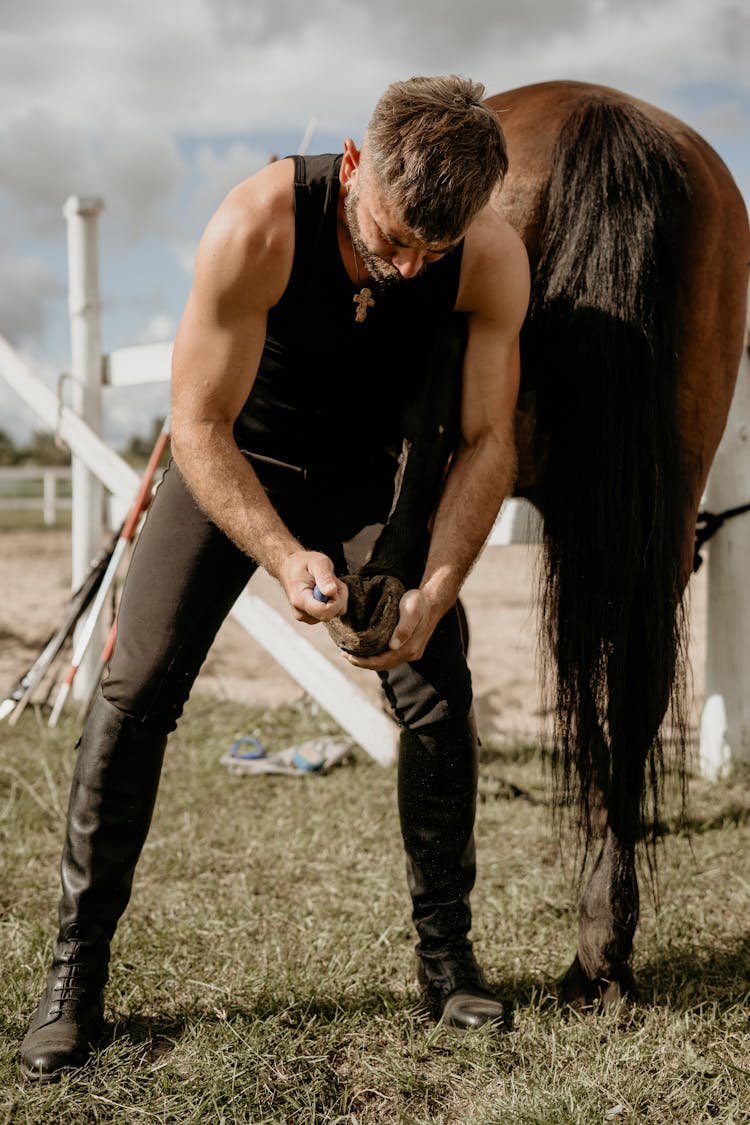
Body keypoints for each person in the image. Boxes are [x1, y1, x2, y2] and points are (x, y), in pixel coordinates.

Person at [20, 74, 530, 1081]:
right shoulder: (254, 224)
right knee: (135, 689)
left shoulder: (488, 258)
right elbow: (199, 428)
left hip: (366, 483)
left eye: (433, 251)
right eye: (391, 240)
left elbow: (486, 443)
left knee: (439, 688)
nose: (409, 267)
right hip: (237, 467)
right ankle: (76, 972)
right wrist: (283, 555)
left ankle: (448, 956)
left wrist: (433, 589)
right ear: (351, 165)